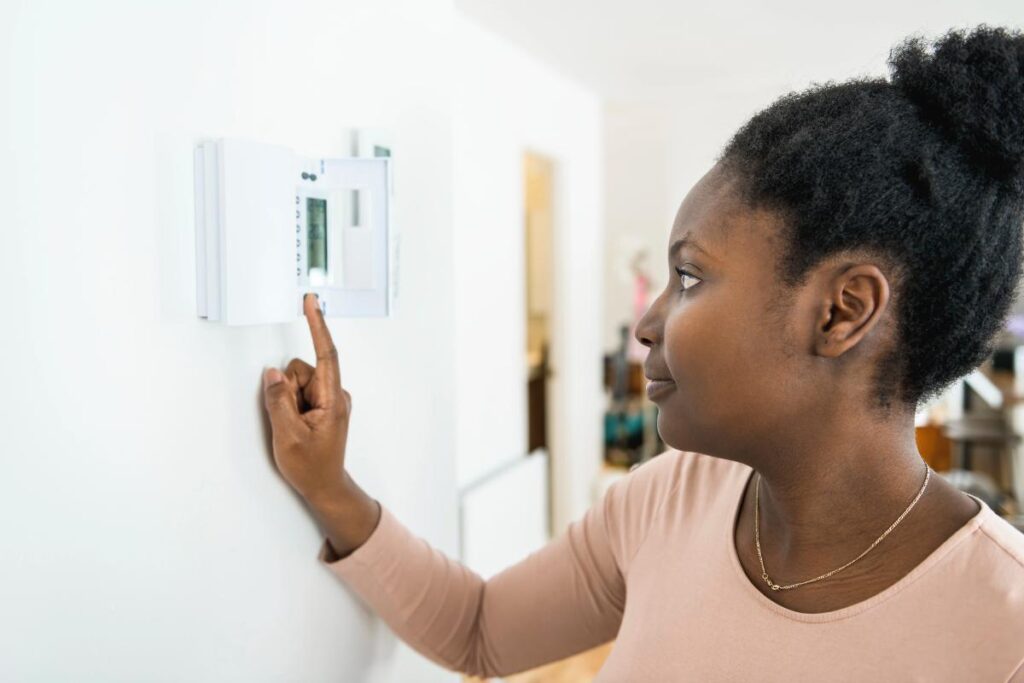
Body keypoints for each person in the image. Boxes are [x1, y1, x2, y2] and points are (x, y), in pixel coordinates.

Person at [261, 25, 1024, 681]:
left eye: (690, 276)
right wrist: (330, 485)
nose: (648, 325)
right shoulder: (668, 497)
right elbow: (479, 628)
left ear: (841, 310)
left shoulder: (1004, 629)